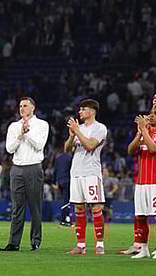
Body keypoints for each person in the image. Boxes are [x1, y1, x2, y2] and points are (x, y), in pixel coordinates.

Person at [126, 103, 156, 260]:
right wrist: (139, 133)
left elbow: (153, 148)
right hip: (141, 181)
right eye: (151, 112)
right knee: (140, 216)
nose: (151, 115)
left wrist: (145, 131)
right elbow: (130, 150)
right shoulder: (144, 132)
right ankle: (144, 248)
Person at [0, 96, 48, 252]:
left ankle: (35, 241)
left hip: (34, 167)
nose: (22, 108)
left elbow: (39, 145)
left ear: (33, 108)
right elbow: (9, 149)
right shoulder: (14, 126)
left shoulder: (42, 125)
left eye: (25, 105)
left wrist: (27, 133)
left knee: (35, 207)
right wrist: (20, 134)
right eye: (20, 106)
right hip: (17, 168)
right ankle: (14, 243)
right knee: (17, 208)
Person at [64, 98, 108, 255]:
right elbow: (67, 149)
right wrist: (71, 136)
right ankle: (81, 245)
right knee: (79, 208)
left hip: (91, 173)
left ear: (92, 112)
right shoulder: (79, 128)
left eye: (83, 109)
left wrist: (77, 132)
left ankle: (100, 244)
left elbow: (90, 146)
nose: (80, 112)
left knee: (95, 207)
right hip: (76, 173)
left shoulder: (100, 128)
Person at [53, 148, 72, 225]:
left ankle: (65, 218)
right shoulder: (70, 157)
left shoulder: (58, 157)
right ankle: (65, 219)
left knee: (65, 199)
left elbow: (55, 170)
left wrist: (55, 182)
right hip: (67, 181)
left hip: (60, 181)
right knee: (66, 200)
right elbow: (72, 170)